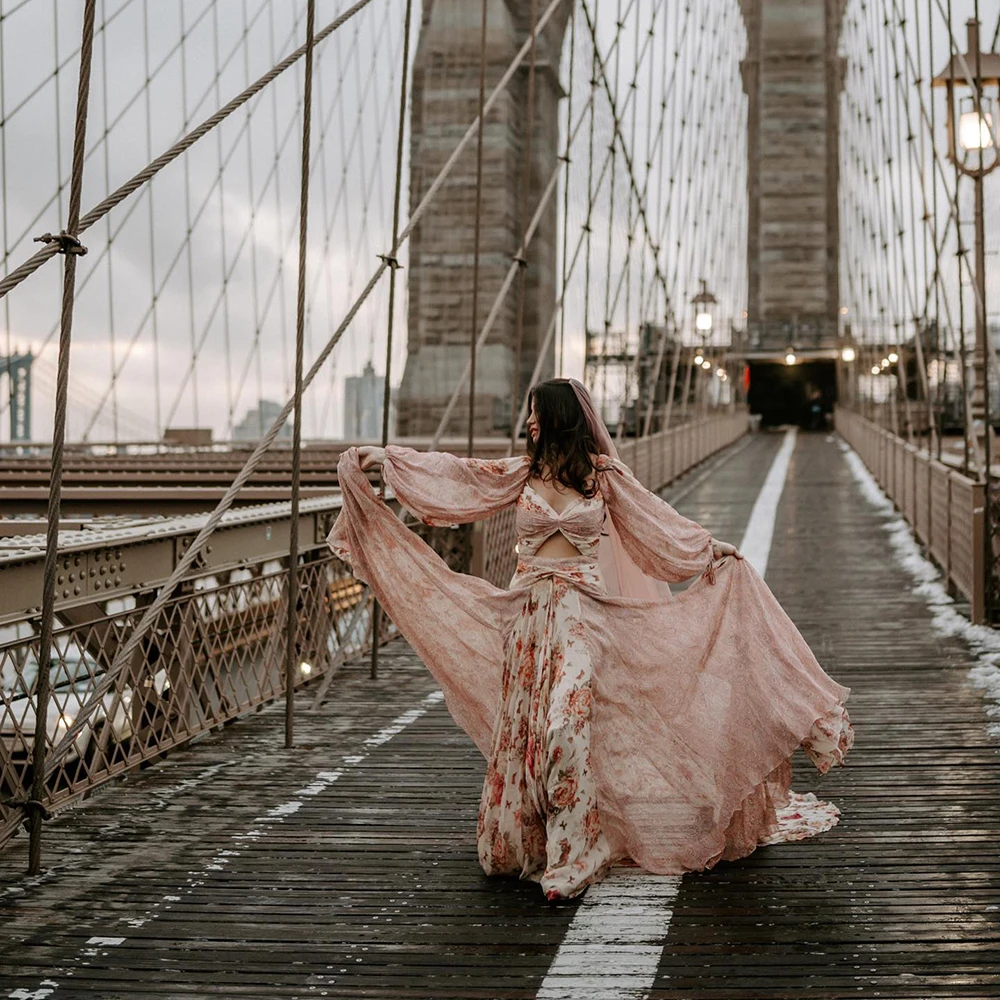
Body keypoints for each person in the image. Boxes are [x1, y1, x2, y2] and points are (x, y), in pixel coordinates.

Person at [328, 377, 853, 901]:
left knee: (564, 725)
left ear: (560, 416)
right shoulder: (522, 473)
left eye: (536, 411)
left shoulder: (602, 477)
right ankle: (544, 840)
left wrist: (708, 549)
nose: (529, 421)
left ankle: (581, 852)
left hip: (584, 617)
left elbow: (653, 520)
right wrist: (386, 459)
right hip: (528, 619)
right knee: (529, 735)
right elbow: (461, 478)